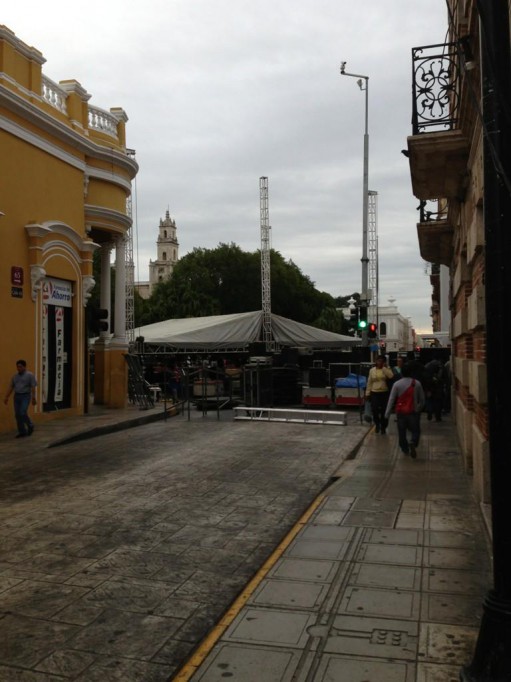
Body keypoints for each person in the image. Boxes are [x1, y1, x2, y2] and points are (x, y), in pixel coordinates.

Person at [385, 363, 425, 458]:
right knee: (416, 430)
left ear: (402, 373)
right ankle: (413, 442)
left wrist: (387, 414)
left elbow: (391, 399)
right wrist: (418, 409)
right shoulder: (417, 383)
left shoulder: (397, 384)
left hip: (401, 412)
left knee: (401, 432)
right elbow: (422, 400)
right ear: (411, 373)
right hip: (413, 412)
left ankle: (405, 448)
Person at [4, 359, 37, 438]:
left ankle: (30, 424)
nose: (19, 368)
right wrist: (6, 397)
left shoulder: (30, 375)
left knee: (22, 412)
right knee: (17, 415)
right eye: (17, 367)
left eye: (20, 367)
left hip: (25, 396)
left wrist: (33, 397)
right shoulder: (15, 376)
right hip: (17, 396)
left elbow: (33, 387)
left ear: (24, 367)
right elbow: (11, 387)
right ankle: (22, 431)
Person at [365, 355, 394, 434]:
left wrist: (384, 368)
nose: (379, 362)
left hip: (384, 393)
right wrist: (367, 393)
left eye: (381, 361)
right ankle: (377, 424)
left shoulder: (386, 369)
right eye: (378, 361)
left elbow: (391, 376)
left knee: (384, 411)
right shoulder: (372, 370)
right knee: (375, 409)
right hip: (374, 393)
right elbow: (369, 382)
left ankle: (383, 426)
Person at [423, 355, 445, 421]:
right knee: (437, 401)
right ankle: (437, 417)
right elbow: (441, 376)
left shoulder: (427, 365)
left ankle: (429, 412)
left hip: (429, 385)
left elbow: (424, 376)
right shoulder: (440, 365)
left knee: (429, 400)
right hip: (437, 386)